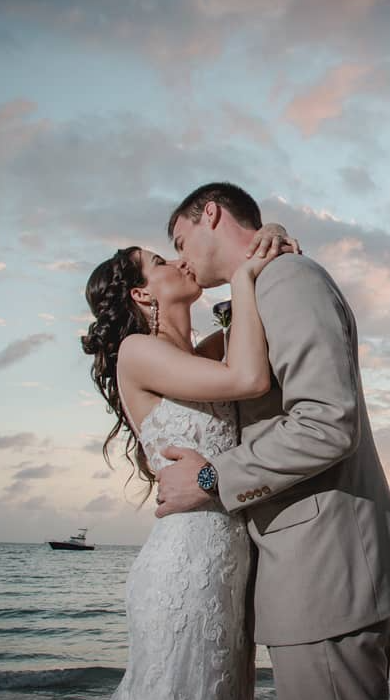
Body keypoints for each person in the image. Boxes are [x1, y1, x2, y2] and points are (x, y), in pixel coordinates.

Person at [156, 182, 390, 700]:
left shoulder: (288, 280)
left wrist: (211, 479)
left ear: (210, 214)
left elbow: (327, 423)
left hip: (326, 573)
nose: (181, 259)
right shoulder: (261, 287)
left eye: (179, 240)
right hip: (300, 573)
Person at [81, 224, 299, 699]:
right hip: (184, 566)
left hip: (232, 564)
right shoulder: (137, 353)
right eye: (160, 263)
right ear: (141, 293)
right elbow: (249, 379)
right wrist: (241, 279)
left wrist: (271, 238)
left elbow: (253, 327)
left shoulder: (204, 355)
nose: (179, 263)